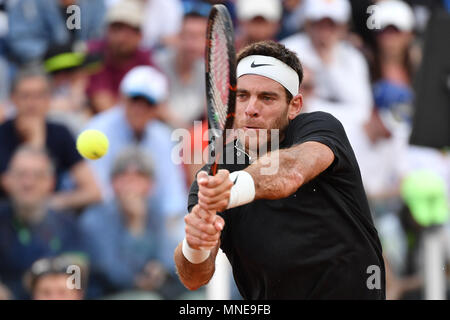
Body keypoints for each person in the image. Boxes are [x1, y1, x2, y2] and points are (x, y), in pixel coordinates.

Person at [174, 40, 386, 299]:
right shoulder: (212, 175)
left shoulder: (321, 127)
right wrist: (194, 245)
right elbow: (194, 278)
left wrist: (231, 189)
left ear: (294, 105)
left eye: (267, 98)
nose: (251, 109)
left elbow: (291, 172)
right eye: (242, 96)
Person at [84, 66, 187, 261]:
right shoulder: (97, 131)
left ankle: (165, 276)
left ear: (158, 108)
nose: (139, 109)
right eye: (134, 100)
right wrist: (132, 204)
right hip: (108, 215)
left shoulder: (163, 136)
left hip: (150, 216)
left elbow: (172, 199)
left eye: (148, 103)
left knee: (180, 235)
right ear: (122, 99)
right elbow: (98, 191)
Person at [79, 146, 188, 299]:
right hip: (107, 293)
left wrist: (159, 270)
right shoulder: (95, 218)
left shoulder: (156, 211)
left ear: (151, 185)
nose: (130, 183)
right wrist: (135, 225)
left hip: (154, 290)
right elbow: (113, 274)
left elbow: (168, 259)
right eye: (123, 176)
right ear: (112, 183)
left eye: (139, 177)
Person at [0, 68, 101, 211]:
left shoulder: (60, 132)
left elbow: (93, 191)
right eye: (25, 96)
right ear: (13, 99)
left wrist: (56, 202)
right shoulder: (2, 134)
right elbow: (24, 190)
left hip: (50, 216)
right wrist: (36, 139)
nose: (32, 103)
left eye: (39, 96)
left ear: (49, 100)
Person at [281, 0, 373, 147]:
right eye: (319, 23)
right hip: (297, 131)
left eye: (332, 25)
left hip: (343, 134)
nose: (325, 30)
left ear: (344, 27)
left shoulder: (353, 57)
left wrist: (329, 63)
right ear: (308, 23)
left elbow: (363, 111)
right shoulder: (288, 49)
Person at [0, 146, 82, 299]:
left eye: (37, 176)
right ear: (7, 180)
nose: (28, 183)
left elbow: (77, 277)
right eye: (21, 175)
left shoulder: (67, 225)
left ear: (50, 182)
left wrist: (62, 290)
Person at [85, 0, 154, 113]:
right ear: (107, 31)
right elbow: (102, 104)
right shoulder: (94, 53)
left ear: (139, 35)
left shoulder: (145, 59)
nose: (121, 37)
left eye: (129, 31)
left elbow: (159, 103)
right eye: (117, 29)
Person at [154, 1, 209, 129]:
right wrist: (189, 132)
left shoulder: (208, 73)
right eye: (188, 35)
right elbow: (154, 108)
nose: (192, 44)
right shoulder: (157, 64)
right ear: (177, 36)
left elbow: (210, 115)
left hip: (191, 140)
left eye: (200, 36)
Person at [6, 0, 105, 65]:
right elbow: (20, 41)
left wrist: (84, 48)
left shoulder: (95, 4)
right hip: (43, 68)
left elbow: (102, 38)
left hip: (84, 68)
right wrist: (48, 52)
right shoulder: (29, 3)